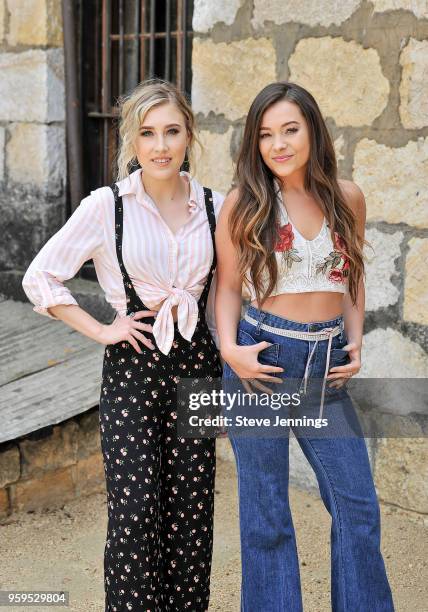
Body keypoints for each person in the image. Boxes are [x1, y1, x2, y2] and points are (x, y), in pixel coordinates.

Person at [22, 79, 224, 612]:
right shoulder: (105, 206)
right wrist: (103, 328)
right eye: (147, 133)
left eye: (172, 131)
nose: (160, 145)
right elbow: (41, 277)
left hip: (198, 367)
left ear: (189, 136)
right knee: (136, 512)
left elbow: (234, 292)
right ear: (131, 141)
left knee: (191, 510)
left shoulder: (215, 205)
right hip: (133, 365)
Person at [215, 81, 395, 611]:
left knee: (357, 505)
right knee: (267, 513)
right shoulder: (243, 205)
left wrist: (355, 339)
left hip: (326, 366)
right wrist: (229, 347)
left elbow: (352, 277)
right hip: (261, 360)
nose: (279, 144)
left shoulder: (347, 197)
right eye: (266, 134)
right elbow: (227, 286)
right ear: (255, 143)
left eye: (290, 129)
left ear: (312, 130)